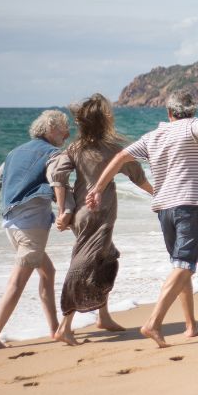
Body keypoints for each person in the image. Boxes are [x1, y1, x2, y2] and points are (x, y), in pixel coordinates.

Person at [86, 93, 198, 348]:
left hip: (164, 208)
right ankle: (153, 322)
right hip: (188, 204)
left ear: (169, 113)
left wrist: (98, 188)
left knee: (180, 266)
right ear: (193, 110)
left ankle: (191, 326)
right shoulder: (196, 124)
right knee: (184, 265)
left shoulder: (153, 136)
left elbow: (120, 157)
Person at [48, 94, 153, 346]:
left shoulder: (75, 148)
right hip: (100, 215)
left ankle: (103, 316)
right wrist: (157, 192)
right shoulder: (112, 148)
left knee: (107, 260)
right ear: (103, 120)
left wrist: (64, 209)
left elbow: (58, 175)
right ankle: (65, 326)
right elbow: (137, 175)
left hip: (83, 215)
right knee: (83, 266)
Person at [0, 109, 72, 351]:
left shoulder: (14, 152)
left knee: (47, 271)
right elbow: (57, 179)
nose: (68, 133)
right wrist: (66, 211)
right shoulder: (53, 153)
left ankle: (54, 329)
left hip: (12, 224)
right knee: (16, 283)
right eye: (64, 128)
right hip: (31, 226)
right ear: (51, 129)